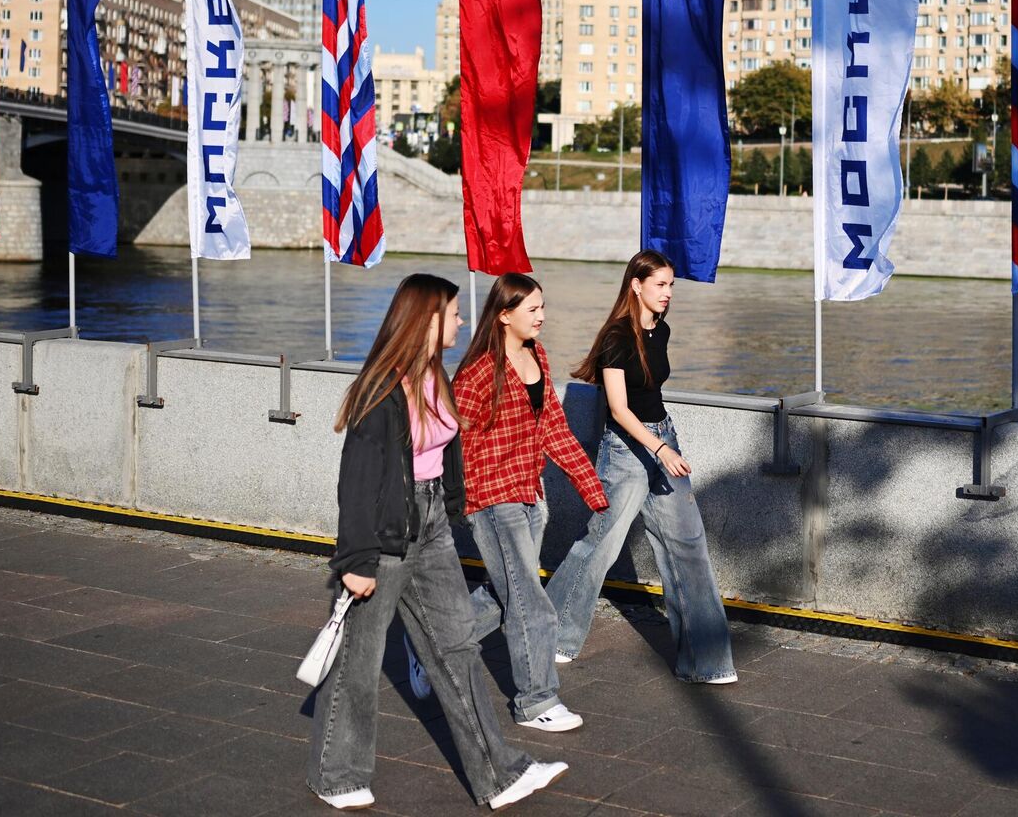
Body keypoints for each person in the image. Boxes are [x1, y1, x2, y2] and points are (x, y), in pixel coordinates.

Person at [309, 273, 566, 811]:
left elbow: (446, 452)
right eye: (453, 313)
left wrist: (450, 508)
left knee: (458, 650)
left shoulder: (435, 374)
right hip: (383, 537)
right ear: (427, 320)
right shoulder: (381, 387)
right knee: (358, 660)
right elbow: (356, 480)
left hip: (431, 530)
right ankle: (337, 776)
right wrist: (355, 560)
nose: (461, 321)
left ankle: (499, 776)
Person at [546, 250, 737, 684]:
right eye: (660, 285)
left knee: (689, 545)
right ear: (636, 285)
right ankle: (551, 634)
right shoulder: (617, 337)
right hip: (627, 450)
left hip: (661, 437)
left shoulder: (662, 329)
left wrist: (665, 444)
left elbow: (652, 398)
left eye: (671, 285)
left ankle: (705, 661)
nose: (668, 293)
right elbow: (618, 408)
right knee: (602, 544)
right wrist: (660, 450)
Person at [454, 273, 610, 733]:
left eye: (543, 307)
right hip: (491, 498)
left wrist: (591, 487)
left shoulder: (537, 355)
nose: (542, 316)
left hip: (528, 494)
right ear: (504, 315)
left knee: (507, 594)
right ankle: (535, 700)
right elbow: (449, 435)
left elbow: (554, 430)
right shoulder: (480, 370)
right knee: (531, 603)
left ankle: (434, 643)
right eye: (533, 309)